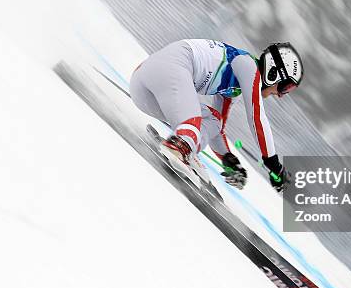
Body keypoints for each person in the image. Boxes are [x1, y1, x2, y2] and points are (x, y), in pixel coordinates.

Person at [129, 39, 303, 193]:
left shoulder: (235, 85)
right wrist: (274, 165)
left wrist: (228, 159)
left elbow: (217, 128)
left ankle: (183, 147)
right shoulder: (248, 66)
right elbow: (257, 118)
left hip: (143, 91)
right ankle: (181, 146)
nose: (282, 95)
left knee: (213, 120)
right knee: (193, 123)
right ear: (274, 74)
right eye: (285, 87)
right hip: (171, 70)